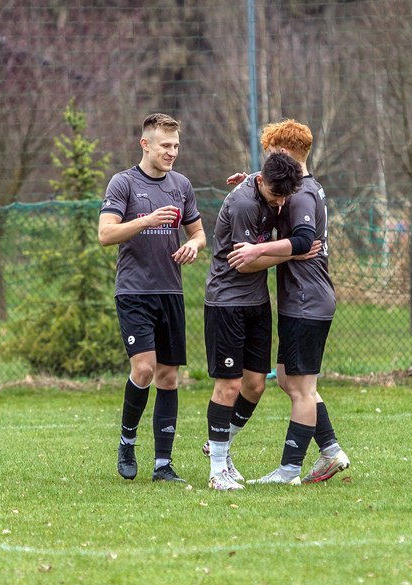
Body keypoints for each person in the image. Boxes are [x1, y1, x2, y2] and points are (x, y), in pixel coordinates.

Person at [226, 119, 351, 485]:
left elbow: (304, 239)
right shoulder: (300, 187)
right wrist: (254, 182)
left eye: (270, 154)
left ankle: (289, 470)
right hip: (303, 300)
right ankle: (330, 450)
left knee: (302, 388)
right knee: (288, 379)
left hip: (307, 300)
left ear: (283, 152)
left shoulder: (303, 194)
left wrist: (257, 250)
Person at [98, 113, 206, 482]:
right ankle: (127, 442)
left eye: (176, 146)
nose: (172, 152)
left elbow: (198, 233)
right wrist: (146, 220)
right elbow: (105, 234)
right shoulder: (124, 183)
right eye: (165, 146)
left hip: (170, 290)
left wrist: (193, 245)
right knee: (144, 369)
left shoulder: (181, 185)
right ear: (145, 144)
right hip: (134, 291)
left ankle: (163, 465)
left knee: (169, 377)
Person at [203, 152, 307, 491]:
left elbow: (259, 251)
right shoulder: (244, 204)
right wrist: (291, 252)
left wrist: (271, 250)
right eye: (275, 196)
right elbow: (244, 264)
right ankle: (217, 471)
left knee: (255, 385)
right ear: (261, 182)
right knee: (229, 386)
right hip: (227, 302)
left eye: (285, 197)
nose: (280, 203)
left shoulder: (268, 186)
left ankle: (220, 447)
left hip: (257, 303)